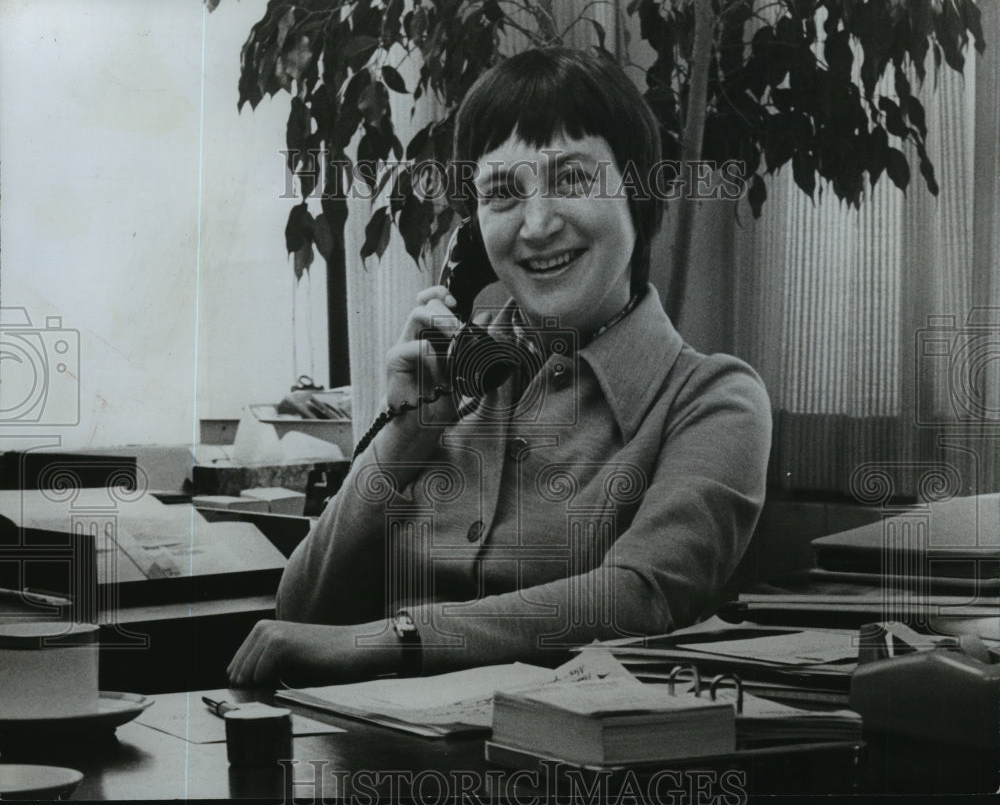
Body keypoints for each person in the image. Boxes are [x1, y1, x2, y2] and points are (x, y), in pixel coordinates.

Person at [227, 47, 771, 688]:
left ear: (638, 195)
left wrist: (393, 639)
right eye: (501, 193)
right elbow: (300, 613)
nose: (537, 225)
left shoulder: (712, 400)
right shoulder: (448, 374)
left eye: (572, 180)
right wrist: (405, 434)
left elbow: (641, 598)